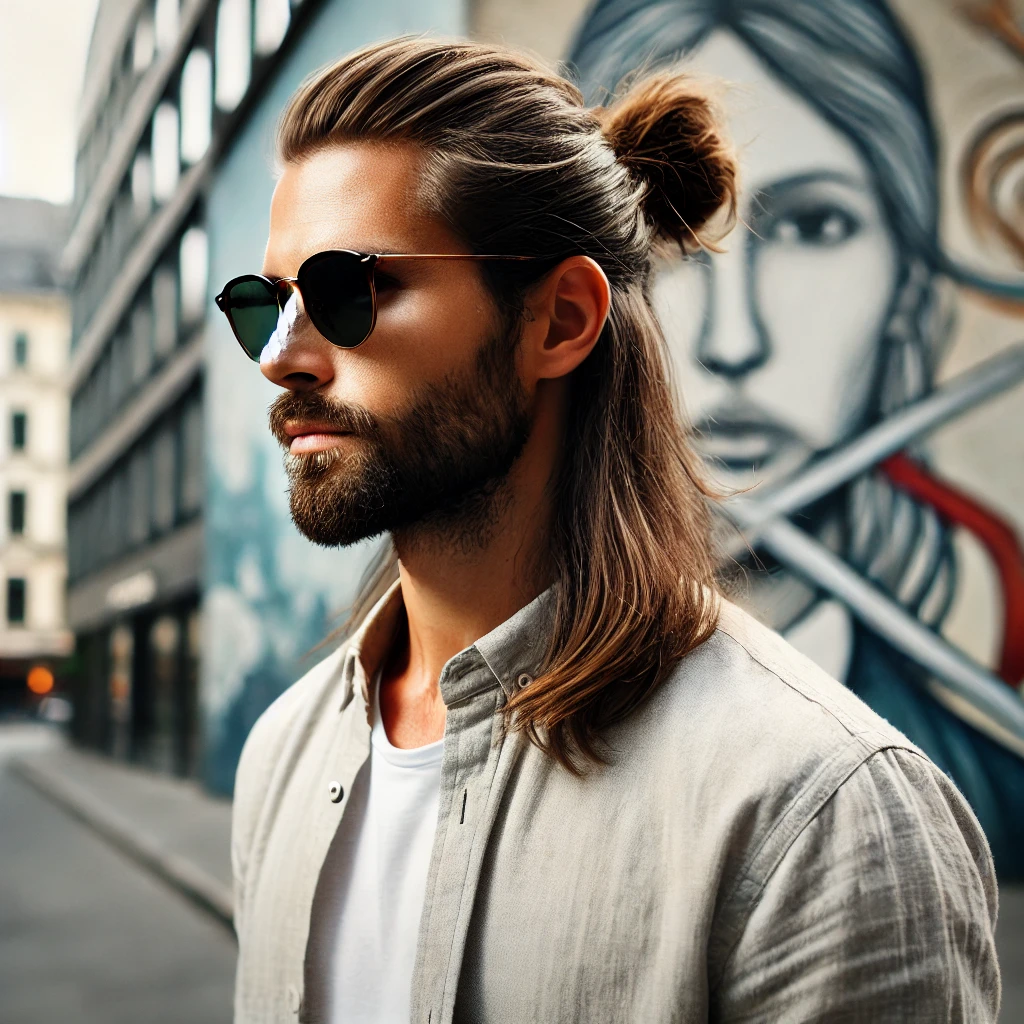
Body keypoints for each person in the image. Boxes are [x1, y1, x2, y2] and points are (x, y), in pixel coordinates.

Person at [223, 37, 999, 1023]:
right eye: (263, 304)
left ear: (559, 321)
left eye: (345, 291)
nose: (280, 358)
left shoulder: (821, 817)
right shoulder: (283, 755)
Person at [570, 0, 1024, 878]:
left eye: (815, 225)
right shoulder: (468, 768)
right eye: (666, 232)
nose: (734, 343)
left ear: (908, 299)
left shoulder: (983, 802)